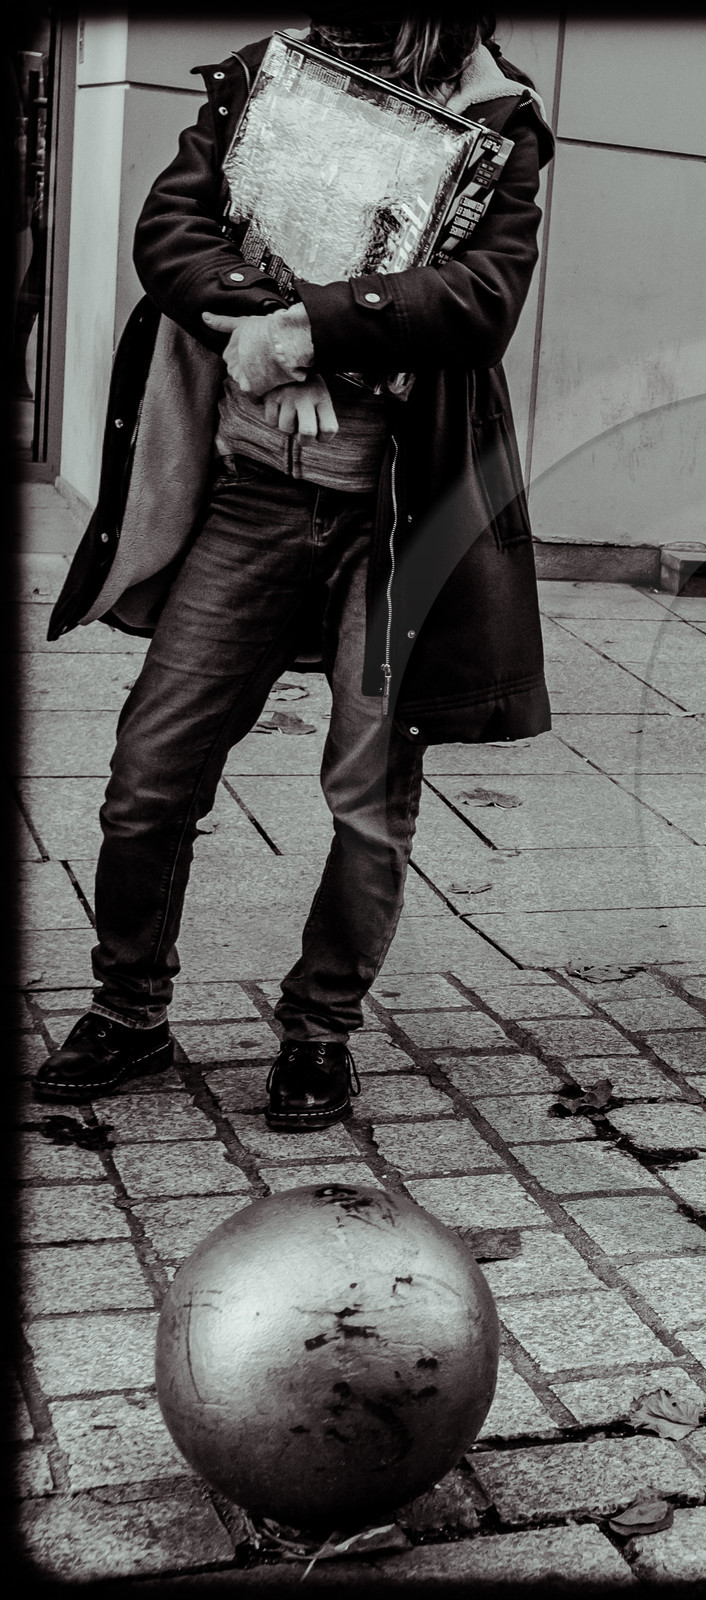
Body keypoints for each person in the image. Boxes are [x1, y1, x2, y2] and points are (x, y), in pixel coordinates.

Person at [36, 16, 554, 1129]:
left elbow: (481, 302)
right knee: (149, 772)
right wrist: (256, 326)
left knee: (369, 804)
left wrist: (314, 332)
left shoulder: (498, 118)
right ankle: (129, 1009)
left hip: (396, 514)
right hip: (253, 495)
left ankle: (319, 1030)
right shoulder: (269, 73)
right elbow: (171, 227)